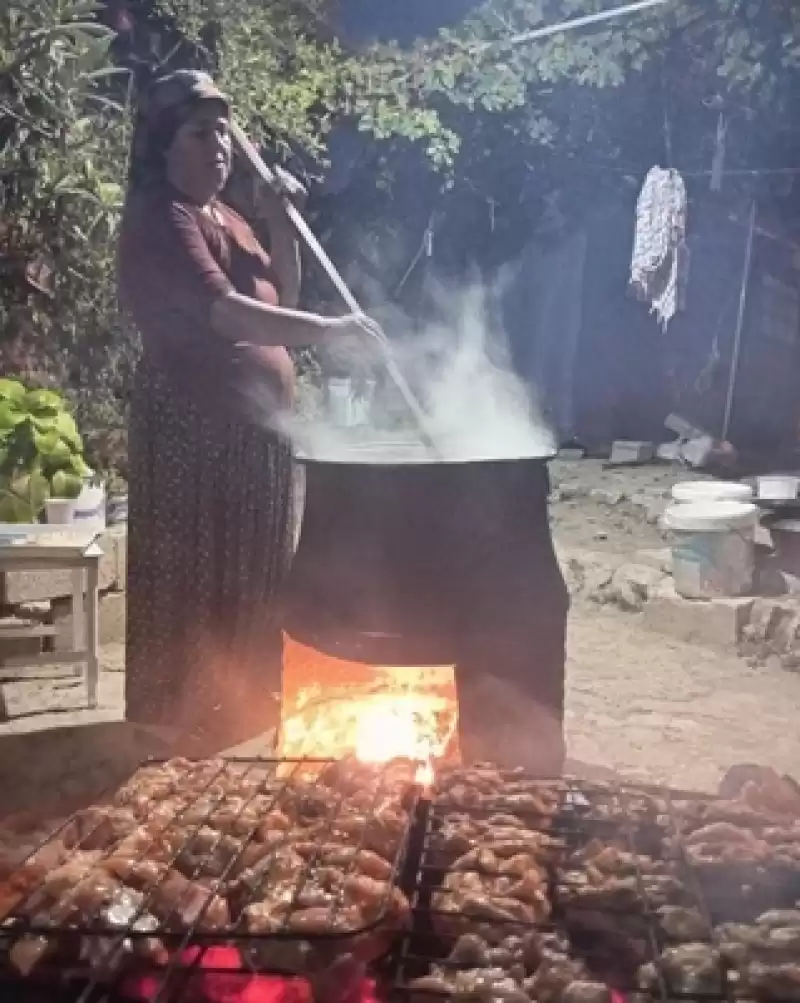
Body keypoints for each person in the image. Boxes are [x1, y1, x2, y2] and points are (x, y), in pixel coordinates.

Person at [118, 70, 375, 751]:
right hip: (194, 431)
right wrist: (327, 330)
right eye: (202, 134)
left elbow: (280, 288)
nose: (220, 147)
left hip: (256, 436)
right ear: (165, 146)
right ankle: (175, 738)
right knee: (196, 585)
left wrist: (276, 219)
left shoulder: (225, 218)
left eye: (225, 133)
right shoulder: (160, 216)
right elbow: (228, 314)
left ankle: (237, 725)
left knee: (251, 587)